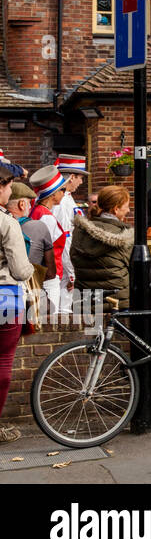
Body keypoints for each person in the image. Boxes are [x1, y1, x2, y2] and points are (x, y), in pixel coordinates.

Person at [0, 172, 34, 444]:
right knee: (2, 362)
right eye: (9, 188)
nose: (10, 194)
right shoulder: (7, 223)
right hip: (5, 297)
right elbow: (21, 271)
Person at [68, 185, 133, 304]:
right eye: (127, 206)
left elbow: (73, 260)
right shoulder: (124, 235)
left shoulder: (80, 232)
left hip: (85, 301)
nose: (128, 210)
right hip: (116, 302)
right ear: (116, 209)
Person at [29, 166, 72, 317]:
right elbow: (48, 249)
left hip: (43, 274)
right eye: (63, 190)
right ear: (53, 194)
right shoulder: (46, 217)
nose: (64, 193)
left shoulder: (37, 211)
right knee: (50, 319)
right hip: (49, 277)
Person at [54, 154, 87, 238]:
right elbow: (64, 234)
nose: (81, 182)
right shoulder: (61, 200)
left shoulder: (67, 196)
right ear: (72, 177)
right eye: (80, 178)